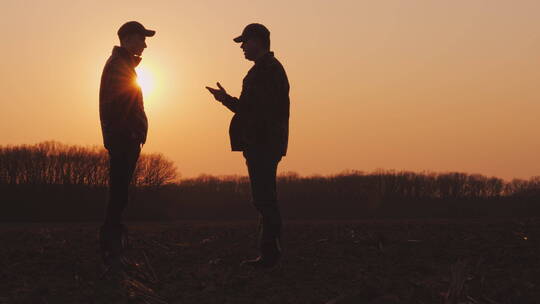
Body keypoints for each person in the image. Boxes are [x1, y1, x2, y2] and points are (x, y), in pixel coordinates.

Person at [206, 23, 290, 268]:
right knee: (264, 198)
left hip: (263, 144)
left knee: (264, 199)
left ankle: (270, 255)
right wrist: (225, 100)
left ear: (258, 41)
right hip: (262, 143)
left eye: (245, 41)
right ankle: (269, 253)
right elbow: (251, 109)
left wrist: (254, 136)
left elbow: (256, 111)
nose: (242, 47)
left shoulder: (268, 70)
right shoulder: (264, 70)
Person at [98, 21, 155, 266]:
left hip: (124, 139)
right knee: (119, 194)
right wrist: (130, 134)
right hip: (123, 140)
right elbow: (116, 106)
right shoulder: (119, 66)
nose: (145, 44)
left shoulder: (122, 65)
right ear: (128, 39)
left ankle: (114, 248)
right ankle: (112, 250)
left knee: (120, 194)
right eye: (141, 38)